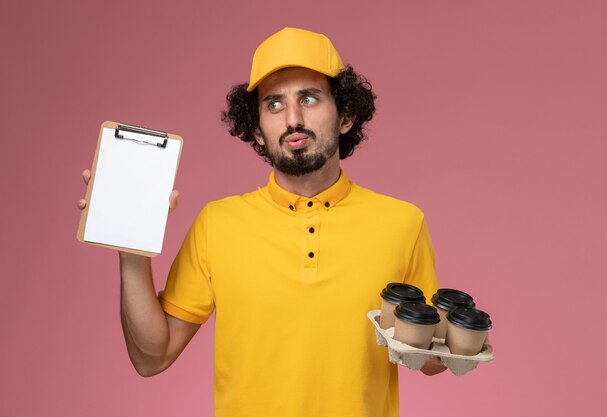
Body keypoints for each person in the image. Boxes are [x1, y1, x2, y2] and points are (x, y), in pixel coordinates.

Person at [78, 27, 446, 417]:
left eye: (309, 98)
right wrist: (132, 248)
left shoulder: (402, 222)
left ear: (346, 115)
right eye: (273, 104)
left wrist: (459, 341)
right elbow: (152, 358)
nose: (292, 118)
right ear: (256, 128)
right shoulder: (217, 224)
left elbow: (429, 359)